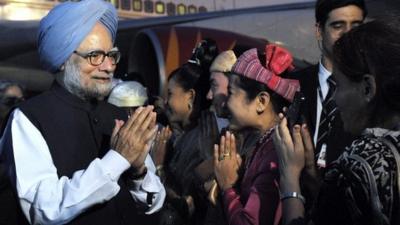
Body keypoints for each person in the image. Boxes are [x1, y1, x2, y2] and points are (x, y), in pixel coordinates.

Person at [0, 0, 165, 224]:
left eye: (111, 55)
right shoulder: (29, 118)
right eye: (95, 56)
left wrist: (138, 172)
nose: (109, 66)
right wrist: (117, 160)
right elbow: (43, 209)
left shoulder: (119, 115)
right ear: (63, 60)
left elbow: (153, 202)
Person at [274, 17, 400, 225]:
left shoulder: (355, 167)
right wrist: (315, 178)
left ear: (367, 88)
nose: (334, 98)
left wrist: (289, 179)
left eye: (339, 85)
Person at [213, 44, 300, 225]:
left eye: (231, 93)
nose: (225, 103)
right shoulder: (267, 142)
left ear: (261, 101)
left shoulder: (275, 154)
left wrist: (227, 187)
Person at [290, 0, 367, 169]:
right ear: (319, 31)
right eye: (338, 26)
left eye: (356, 26)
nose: (348, 34)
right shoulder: (293, 83)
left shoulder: (372, 90)